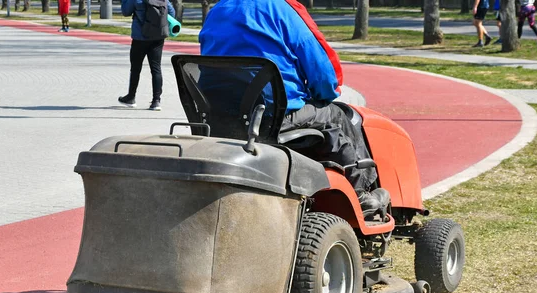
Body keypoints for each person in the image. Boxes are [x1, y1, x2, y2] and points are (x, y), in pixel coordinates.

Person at [199, 0, 390, 217]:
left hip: (224, 117)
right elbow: (323, 70)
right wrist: (324, 96)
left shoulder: (218, 10)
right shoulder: (282, 9)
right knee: (336, 116)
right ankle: (361, 194)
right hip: (274, 117)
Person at [118, 0, 175, 111]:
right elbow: (171, 12)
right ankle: (156, 101)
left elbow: (126, 12)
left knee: (135, 68)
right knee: (156, 68)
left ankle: (131, 97)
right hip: (158, 38)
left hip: (140, 37)